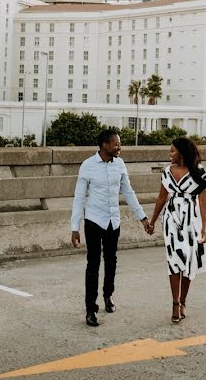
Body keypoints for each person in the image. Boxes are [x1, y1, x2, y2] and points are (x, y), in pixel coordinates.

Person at [71, 129, 151, 327]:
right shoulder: (88, 166)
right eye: (116, 144)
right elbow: (79, 197)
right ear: (104, 145)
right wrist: (75, 228)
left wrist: (142, 217)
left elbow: (128, 192)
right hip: (93, 220)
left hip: (113, 222)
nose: (119, 147)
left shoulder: (120, 165)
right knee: (93, 264)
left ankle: (108, 295)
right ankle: (91, 308)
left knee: (111, 261)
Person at [147, 137, 206, 323]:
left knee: (188, 259)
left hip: (191, 220)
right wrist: (152, 221)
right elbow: (161, 198)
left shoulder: (199, 172)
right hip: (172, 219)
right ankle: (175, 304)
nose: (169, 154)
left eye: (172, 151)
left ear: (182, 154)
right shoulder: (167, 172)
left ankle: (183, 300)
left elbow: (203, 202)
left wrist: (203, 228)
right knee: (174, 259)